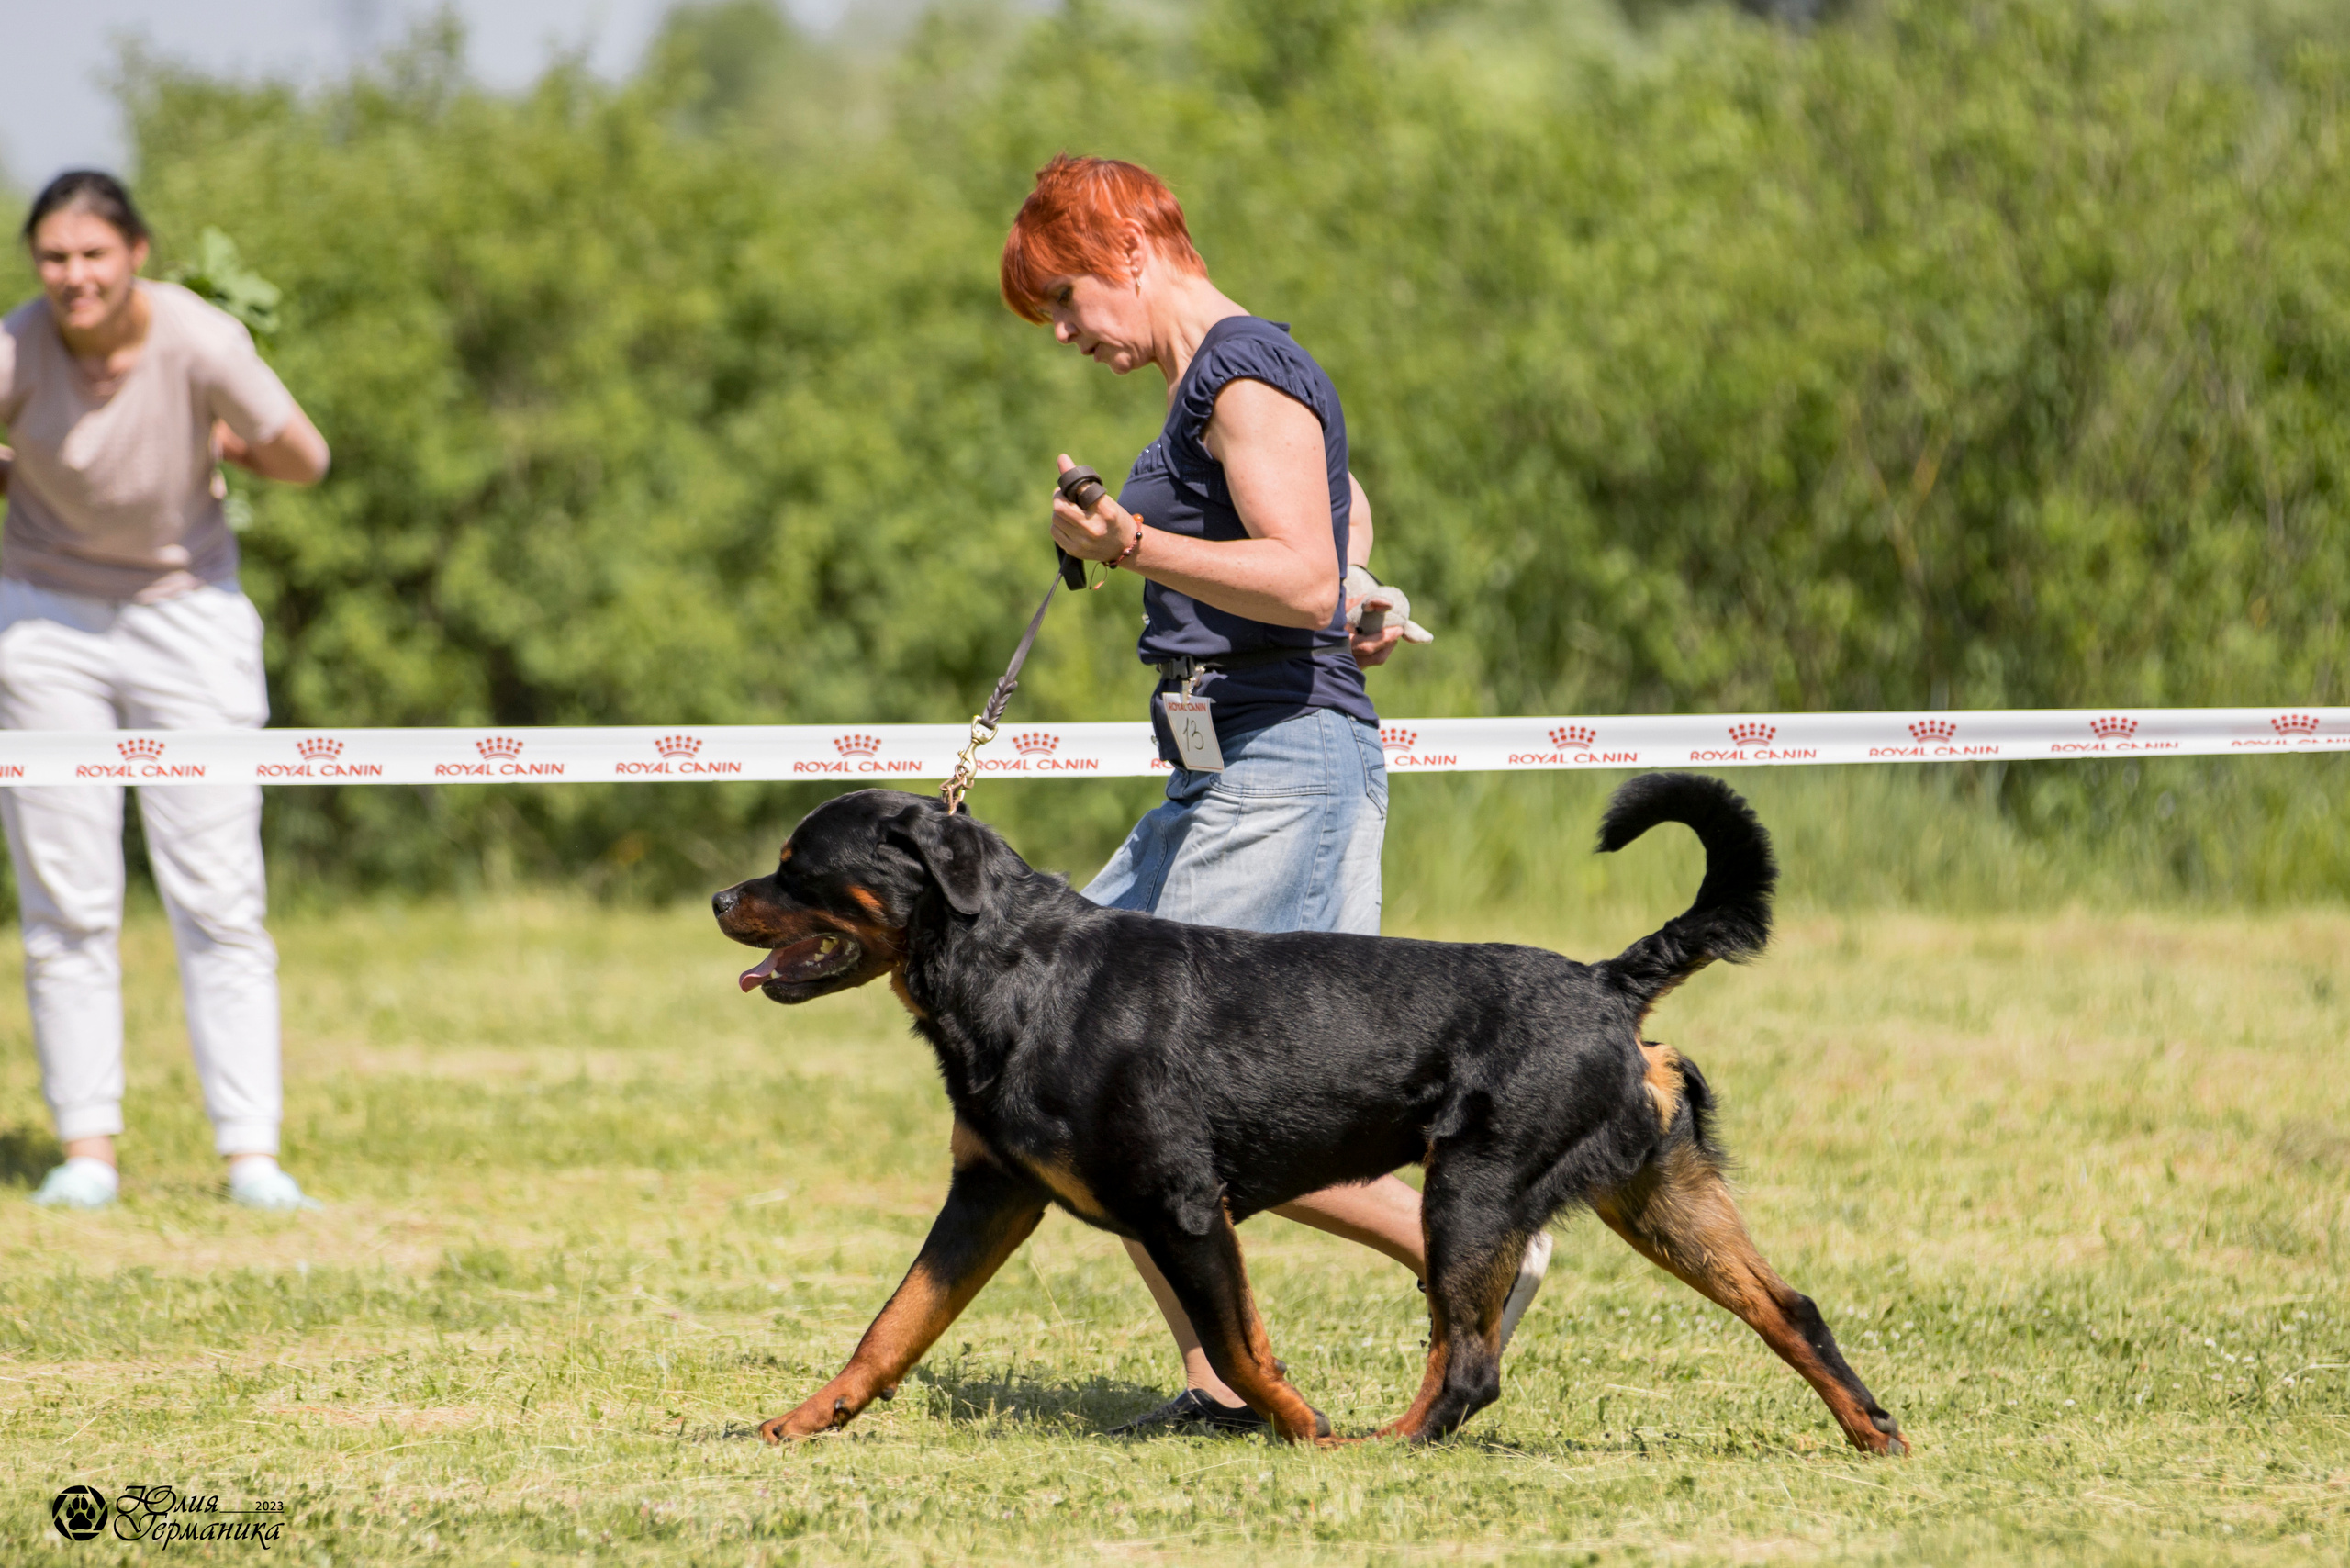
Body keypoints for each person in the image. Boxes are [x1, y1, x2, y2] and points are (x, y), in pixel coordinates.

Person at [1000, 155, 1550, 1434]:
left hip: (1284, 770)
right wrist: (1364, 582)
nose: (1069, 334)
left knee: (1200, 1097)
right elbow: (1333, 518)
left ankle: (1469, 1246)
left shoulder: (1244, 370)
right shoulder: (1214, 387)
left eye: (1070, 300)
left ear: (1129, 251)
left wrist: (1135, 545)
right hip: (1226, 771)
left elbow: (1295, 575)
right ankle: (1221, 1384)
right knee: (1068, 1061)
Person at [0, 172, 329, 1210]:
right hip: (45, 618)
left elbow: (307, 458)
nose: (74, 275)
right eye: (54, 257)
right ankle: (85, 1152)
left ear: (137, 251)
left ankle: (250, 1156)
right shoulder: (17, 347)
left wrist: (236, 440)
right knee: (66, 901)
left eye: (93, 253)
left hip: (187, 614)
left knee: (220, 893)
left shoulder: (201, 338)